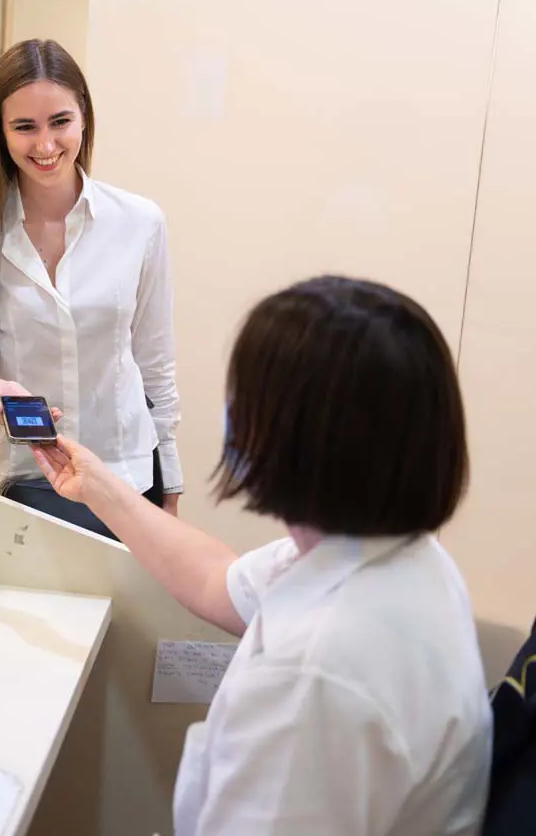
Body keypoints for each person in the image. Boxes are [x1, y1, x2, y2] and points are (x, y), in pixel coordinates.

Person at [32, 275, 492, 835]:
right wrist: (98, 486)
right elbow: (215, 580)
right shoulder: (401, 560)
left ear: (293, 437)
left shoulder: (315, 678)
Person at [0, 39, 183, 536]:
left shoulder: (139, 223)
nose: (45, 146)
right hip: (26, 482)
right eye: (24, 127)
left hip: (128, 478)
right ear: (0, 133)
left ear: (84, 116)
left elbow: (155, 365)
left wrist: (171, 483)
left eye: (60, 122)